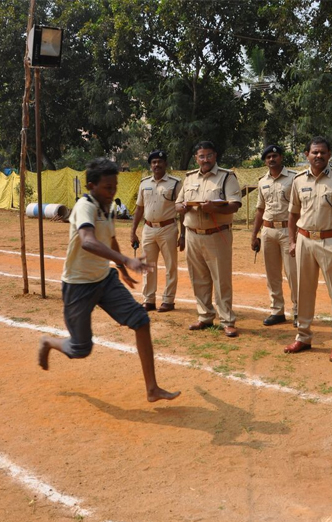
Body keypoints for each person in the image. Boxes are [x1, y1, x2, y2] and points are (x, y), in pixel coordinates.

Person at [38, 158, 180, 403]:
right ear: (92, 185)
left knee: (140, 320)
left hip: (105, 279)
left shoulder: (108, 207)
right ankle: (48, 342)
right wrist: (126, 260)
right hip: (78, 284)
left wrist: (120, 270)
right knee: (81, 348)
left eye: (114, 186)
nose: (112, 191)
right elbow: (88, 241)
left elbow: (110, 238)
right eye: (107, 187)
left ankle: (152, 389)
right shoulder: (85, 206)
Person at [285, 136, 332, 362]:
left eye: (322, 152)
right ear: (306, 155)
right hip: (304, 240)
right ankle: (304, 336)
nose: (318, 156)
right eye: (314, 152)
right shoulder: (298, 180)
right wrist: (292, 241)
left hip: (330, 241)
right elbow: (292, 214)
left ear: (329, 155)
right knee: (303, 291)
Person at [175, 141, 242, 338]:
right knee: (198, 277)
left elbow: (235, 205)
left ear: (215, 156)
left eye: (209, 156)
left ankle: (227, 320)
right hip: (193, 234)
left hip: (217, 234)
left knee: (221, 279)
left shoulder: (226, 176)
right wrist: (184, 207)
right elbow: (178, 205)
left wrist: (216, 208)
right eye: (201, 156)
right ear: (196, 158)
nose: (205, 160)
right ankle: (204, 316)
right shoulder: (189, 178)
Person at [131, 150, 185, 312]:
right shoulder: (144, 183)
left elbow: (182, 209)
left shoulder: (175, 183)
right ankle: (149, 300)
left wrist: (183, 234)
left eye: (160, 162)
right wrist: (133, 231)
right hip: (148, 228)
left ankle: (168, 300)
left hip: (168, 228)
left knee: (170, 266)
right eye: (154, 162)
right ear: (150, 165)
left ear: (165, 164)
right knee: (148, 265)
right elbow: (139, 208)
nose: (157, 165)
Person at [251, 144, 298, 327]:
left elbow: (300, 207)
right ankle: (277, 310)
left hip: (288, 231)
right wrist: (254, 234)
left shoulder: (294, 178)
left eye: (275, 156)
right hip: (268, 230)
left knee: (293, 273)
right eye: (268, 157)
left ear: (281, 158)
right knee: (272, 274)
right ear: (265, 160)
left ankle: (298, 311)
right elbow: (260, 209)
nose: (272, 159)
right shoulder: (263, 181)